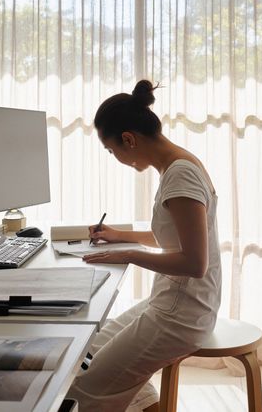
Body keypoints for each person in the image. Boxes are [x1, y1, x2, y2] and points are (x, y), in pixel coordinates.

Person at [67, 80, 222, 412]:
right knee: (90, 349)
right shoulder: (177, 165)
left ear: (128, 139)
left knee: (84, 390)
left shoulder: (180, 175)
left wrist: (129, 255)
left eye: (112, 151)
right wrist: (122, 235)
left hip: (182, 316)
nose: (115, 158)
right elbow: (177, 237)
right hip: (169, 303)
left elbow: (196, 263)